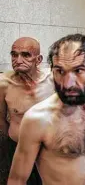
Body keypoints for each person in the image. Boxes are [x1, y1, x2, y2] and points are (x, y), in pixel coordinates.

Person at [7, 34, 85, 185]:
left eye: (78, 70)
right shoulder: (38, 118)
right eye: (60, 71)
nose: (67, 84)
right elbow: (17, 180)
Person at [0, 37, 55, 184]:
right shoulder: (3, 83)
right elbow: (1, 120)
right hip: (19, 150)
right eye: (14, 54)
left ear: (38, 59)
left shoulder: (52, 80)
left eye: (25, 55)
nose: (18, 60)